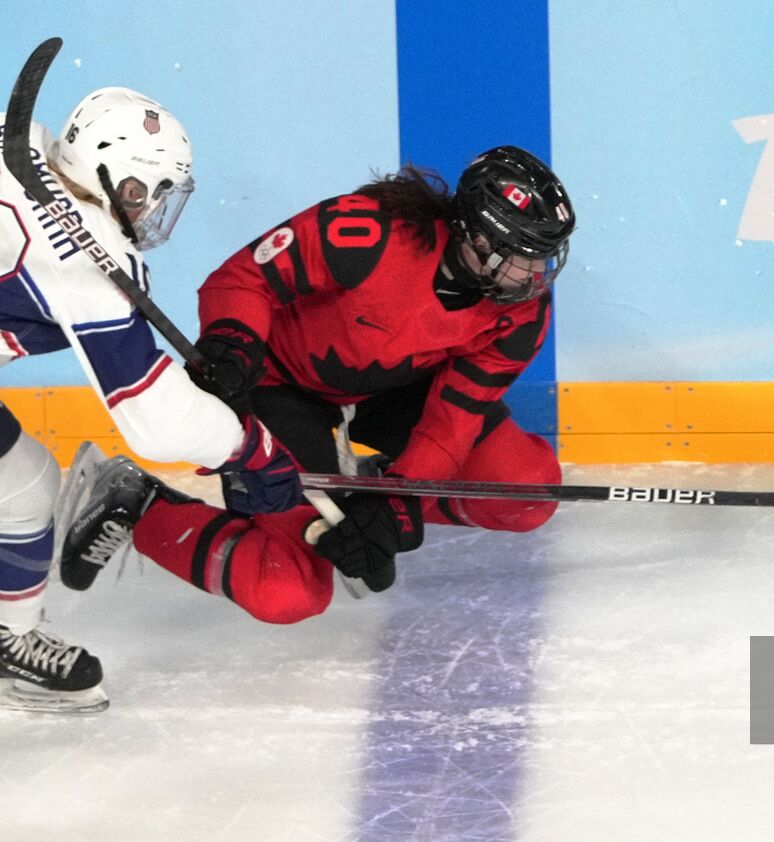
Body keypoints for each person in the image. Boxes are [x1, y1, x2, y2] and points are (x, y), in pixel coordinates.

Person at [58, 147, 576, 622]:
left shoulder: (521, 313)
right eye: (522, 255)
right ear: (476, 236)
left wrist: (398, 501)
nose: (535, 274)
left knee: (526, 492)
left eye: (543, 257)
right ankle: (138, 503)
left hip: (389, 390)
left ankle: (361, 483)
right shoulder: (370, 232)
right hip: (279, 387)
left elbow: (453, 420)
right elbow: (240, 280)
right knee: (288, 590)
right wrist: (232, 344)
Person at [0, 87, 302, 713]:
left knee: (25, 484)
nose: (154, 207)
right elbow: (155, 420)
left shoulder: (18, 140)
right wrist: (253, 450)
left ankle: (9, 635)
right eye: (152, 190)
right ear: (122, 181)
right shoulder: (87, 260)